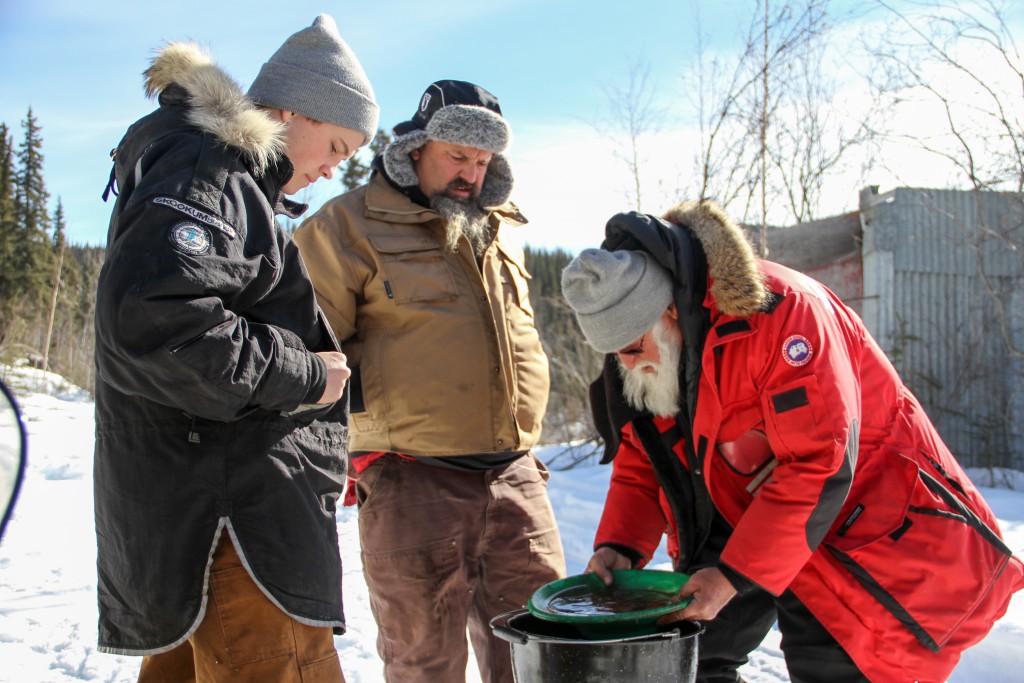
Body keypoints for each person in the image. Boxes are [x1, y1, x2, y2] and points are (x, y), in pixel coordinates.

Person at [559, 201, 1024, 683]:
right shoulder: (647, 352)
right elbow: (646, 458)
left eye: (634, 349)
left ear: (669, 310)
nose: (629, 366)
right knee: (688, 657)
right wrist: (621, 546)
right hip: (744, 510)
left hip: (854, 519)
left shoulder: (783, 314)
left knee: (837, 667)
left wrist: (733, 578)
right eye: (617, 355)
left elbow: (820, 464)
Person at [93, 15, 378, 683]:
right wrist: (309, 375)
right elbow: (159, 320)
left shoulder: (219, 179)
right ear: (287, 112)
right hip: (233, 527)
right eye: (335, 143)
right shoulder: (209, 170)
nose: (335, 168)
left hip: (200, 522)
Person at [293, 80, 566, 683]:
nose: (471, 173)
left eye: (482, 160)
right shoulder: (346, 226)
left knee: (540, 658)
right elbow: (308, 355)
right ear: (416, 149)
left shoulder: (500, 228)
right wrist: (338, 450)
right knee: (425, 665)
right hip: (412, 480)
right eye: (457, 156)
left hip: (516, 475)